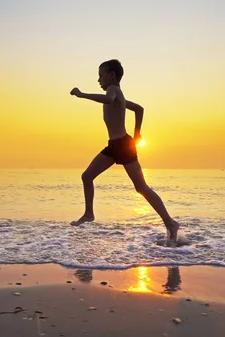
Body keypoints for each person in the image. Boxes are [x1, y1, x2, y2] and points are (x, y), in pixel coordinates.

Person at [69, 59, 180, 245]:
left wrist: (82, 95)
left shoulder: (113, 91)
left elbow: (109, 99)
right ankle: (89, 213)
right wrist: (137, 133)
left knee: (141, 187)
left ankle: (171, 223)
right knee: (87, 176)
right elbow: (139, 109)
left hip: (122, 145)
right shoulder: (118, 94)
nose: (98, 80)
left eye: (100, 76)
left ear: (111, 76)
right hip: (114, 146)